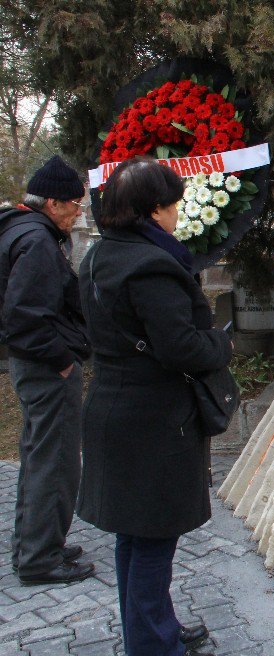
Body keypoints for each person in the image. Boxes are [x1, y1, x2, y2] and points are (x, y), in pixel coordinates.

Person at [77, 157, 233, 656]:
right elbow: (180, 348)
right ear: (152, 210)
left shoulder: (101, 257)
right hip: (153, 421)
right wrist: (222, 347)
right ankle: (152, 645)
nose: (176, 214)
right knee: (153, 539)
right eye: (172, 205)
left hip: (115, 406)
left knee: (135, 534)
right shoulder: (152, 265)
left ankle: (154, 627)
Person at [0, 155, 94, 584]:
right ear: (52, 204)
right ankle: (40, 559)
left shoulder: (20, 229)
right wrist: (60, 361)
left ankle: (38, 543)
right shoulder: (36, 241)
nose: (78, 212)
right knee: (54, 461)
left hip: (33, 364)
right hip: (44, 366)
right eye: (74, 204)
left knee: (40, 456)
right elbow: (24, 315)